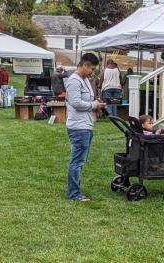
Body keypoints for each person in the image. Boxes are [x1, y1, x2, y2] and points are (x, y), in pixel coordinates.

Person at [65, 53, 107, 202]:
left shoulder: (85, 80)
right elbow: (76, 103)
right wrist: (94, 105)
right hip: (78, 127)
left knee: (79, 161)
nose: (93, 72)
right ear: (85, 65)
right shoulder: (74, 81)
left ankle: (74, 190)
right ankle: (74, 194)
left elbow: (87, 100)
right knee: (77, 161)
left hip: (86, 125)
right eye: (92, 69)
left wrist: (97, 102)